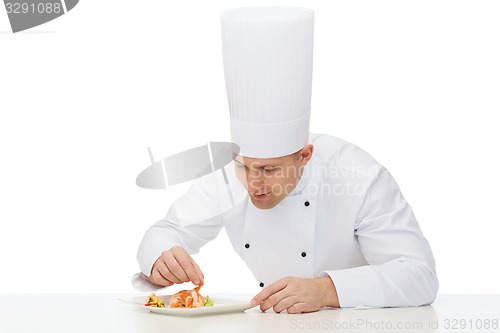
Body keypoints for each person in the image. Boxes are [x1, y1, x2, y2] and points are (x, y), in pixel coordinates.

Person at [136, 6, 438, 313]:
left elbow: (419, 274)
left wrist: (326, 289)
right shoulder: (226, 176)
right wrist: (160, 257)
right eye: (244, 166)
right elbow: (165, 231)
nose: (254, 183)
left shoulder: (358, 176)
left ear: (304, 156)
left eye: (269, 169)